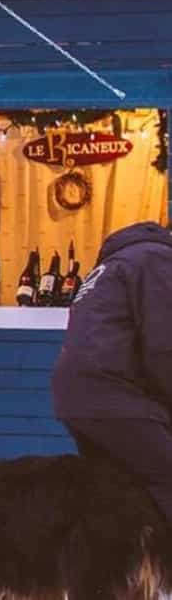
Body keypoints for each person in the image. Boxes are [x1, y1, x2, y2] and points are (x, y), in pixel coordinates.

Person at [53, 221, 172, 528]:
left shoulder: (111, 267)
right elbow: (164, 346)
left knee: (119, 495)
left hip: (79, 401)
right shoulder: (157, 260)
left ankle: (122, 572)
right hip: (117, 397)